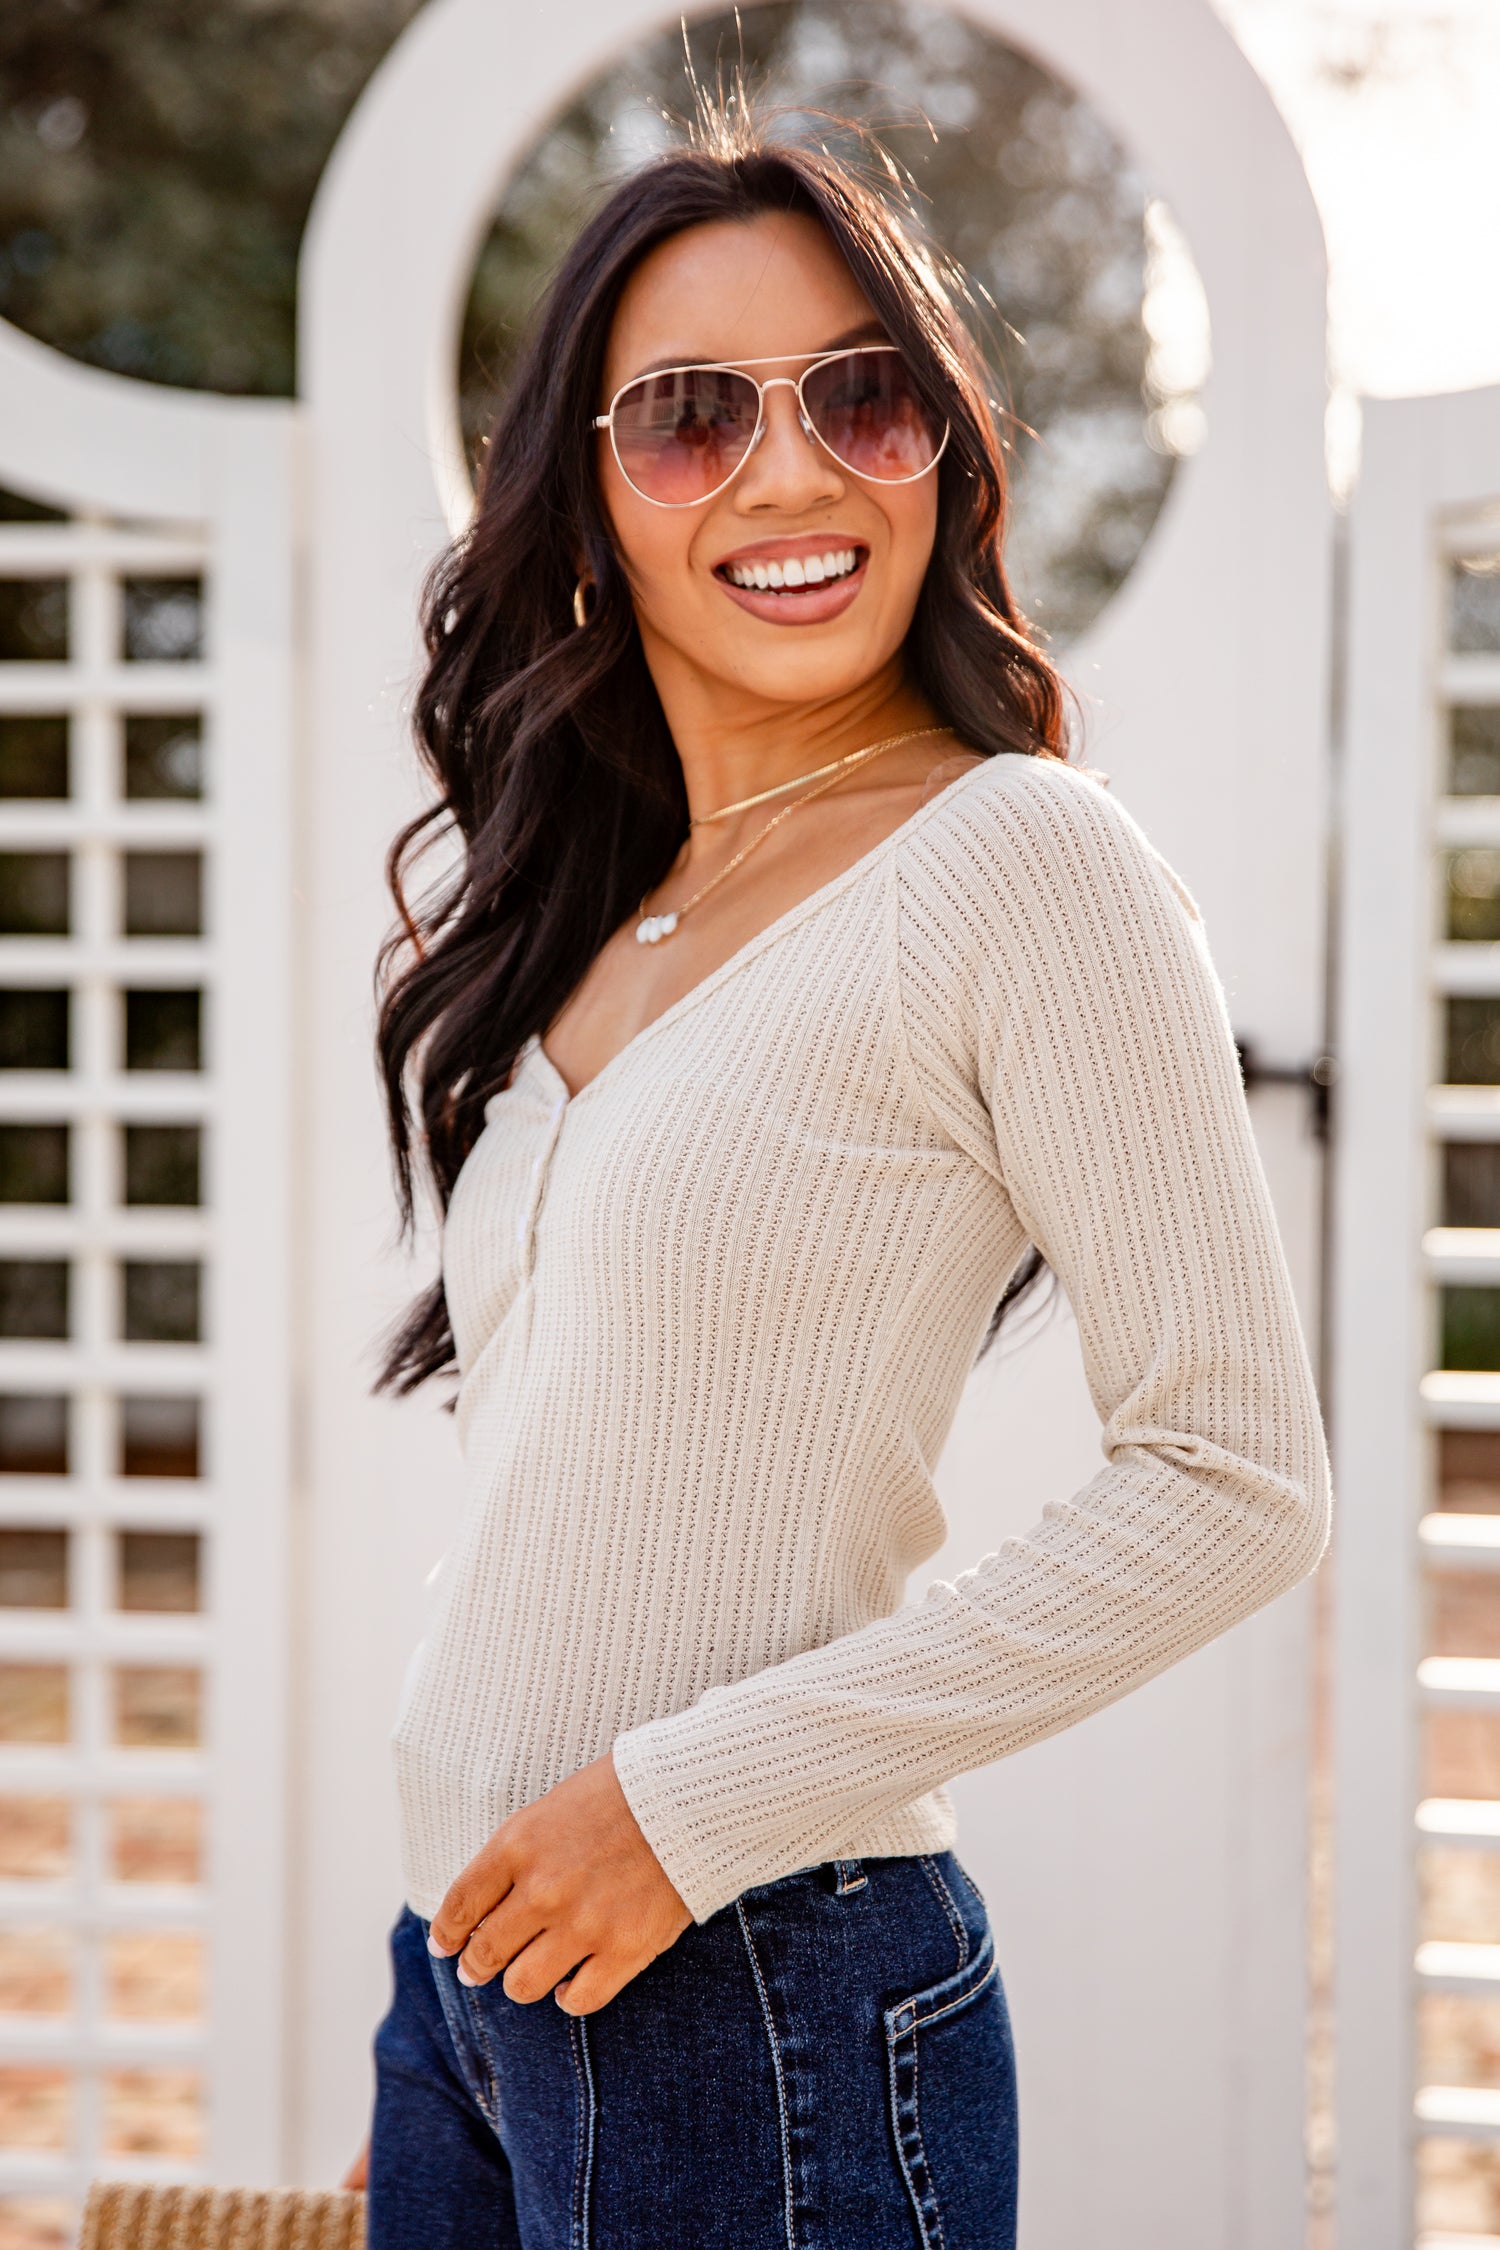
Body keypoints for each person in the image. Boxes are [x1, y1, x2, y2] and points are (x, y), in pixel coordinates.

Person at [353, 115, 1331, 2250]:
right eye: (691, 416)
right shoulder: (614, 906)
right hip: (485, 1983)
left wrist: (678, 1806)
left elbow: (1237, 1478)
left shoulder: (1019, 857)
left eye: (860, 398)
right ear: (587, 499)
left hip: (751, 1993)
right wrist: (457, 2027)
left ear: (942, 457)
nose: (790, 474)